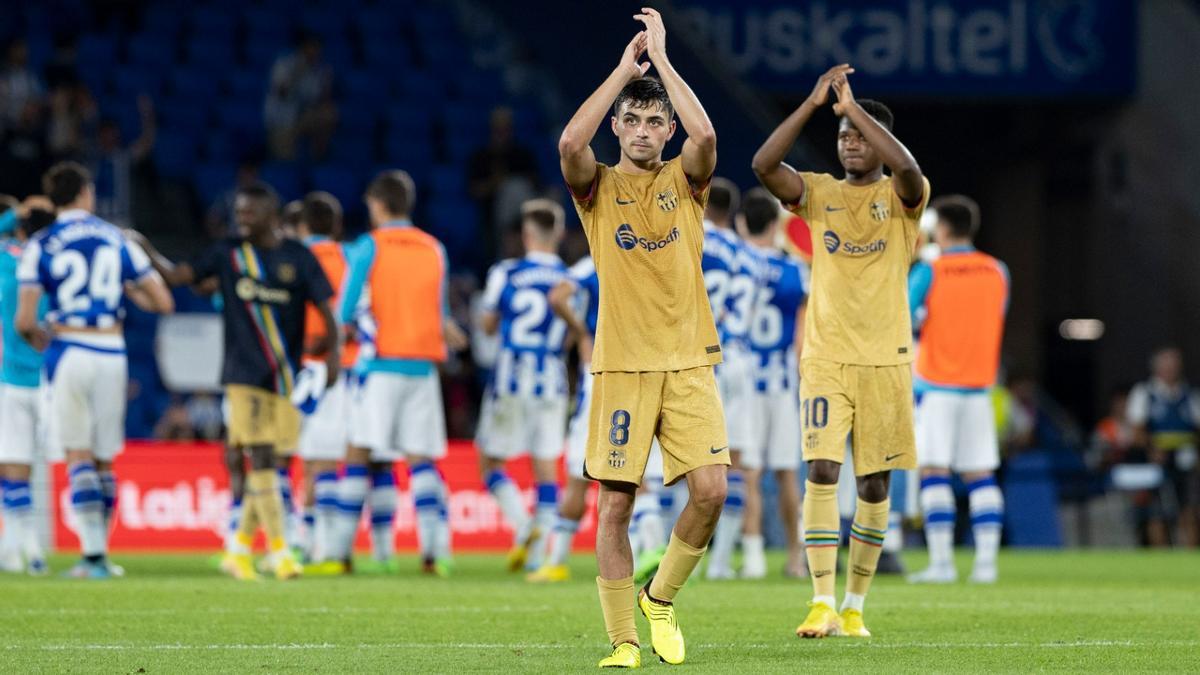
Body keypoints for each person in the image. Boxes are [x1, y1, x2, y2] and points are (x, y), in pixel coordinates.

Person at [558, 9, 727, 667]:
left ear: (667, 130)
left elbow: (707, 132)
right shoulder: (597, 187)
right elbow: (572, 144)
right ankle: (623, 640)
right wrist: (622, 73)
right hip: (623, 366)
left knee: (711, 491)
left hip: (688, 361)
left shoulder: (687, 181)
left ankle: (661, 597)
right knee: (615, 506)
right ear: (619, 127)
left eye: (658, 121)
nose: (647, 130)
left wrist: (663, 54)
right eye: (635, 120)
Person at [752, 63, 930, 638]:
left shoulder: (904, 197)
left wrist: (853, 108)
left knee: (874, 485)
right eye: (843, 136)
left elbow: (906, 166)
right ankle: (821, 600)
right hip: (825, 356)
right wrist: (811, 105)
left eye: (858, 135)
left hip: (887, 359)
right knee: (822, 469)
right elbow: (763, 166)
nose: (849, 143)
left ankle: (855, 605)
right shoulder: (819, 193)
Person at [138, 181, 339, 581]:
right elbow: (178, 276)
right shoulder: (228, 253)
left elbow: (327, 311)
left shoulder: (297, 258)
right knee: (261, 458)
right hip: (241, 376)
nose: (242, 219)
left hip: (284, 376)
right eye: (239, 212)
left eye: (250, 212)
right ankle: (281, 552)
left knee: (277, 464)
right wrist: (143, 247)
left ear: (272, 215)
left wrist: (331, 359)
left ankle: (239, 549)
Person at [15, 162, 174, 578]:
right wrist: (123, 290)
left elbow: (24, 321)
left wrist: (46, 342)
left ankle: (91, 557)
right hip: (112, 350)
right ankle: (103, 554)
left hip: (69, 348)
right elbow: (162, 302)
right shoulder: (115, 237)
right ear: (86, 194)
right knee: (105, 458)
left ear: (54, 199)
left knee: (77, 453)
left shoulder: (42, 244)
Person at [325, 169, 468, 577]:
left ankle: (338, 553)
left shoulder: (370, 246)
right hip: (423, 368)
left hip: (380, 366)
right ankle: (435, 553)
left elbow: (345, 309)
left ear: (378, 204)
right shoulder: (434, 249)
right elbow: (442, 317)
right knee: (422, 459)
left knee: (358, 452)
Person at [905, 195, 1010, 584]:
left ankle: (943, 564)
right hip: (980, 388)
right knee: (980, 474)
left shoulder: (931, 270)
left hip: (936, 386)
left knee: (935, 471)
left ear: (942, 228)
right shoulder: (998, 271)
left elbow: (904, 316)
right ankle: (985, 565)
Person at [476, 198, 569, 573]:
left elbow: (486, 324)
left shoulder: (505, 272)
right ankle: (539, 554)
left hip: (510, 377)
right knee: (546, 465)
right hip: (552, 378)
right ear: (559, 234)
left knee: (490, 461)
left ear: (527, 234)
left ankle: (523, 526)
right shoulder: (572, 276)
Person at [738, 188, 808, 579]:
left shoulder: (737, 263)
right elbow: (802, 336)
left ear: (743, 221)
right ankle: (796, 558)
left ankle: (753, 558)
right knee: (786, 474)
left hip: (744, 378)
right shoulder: (796, 270)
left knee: (747, 471)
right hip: (781, 382)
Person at [702, 177, 766, 581]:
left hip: (700, 359)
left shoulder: (692, 238)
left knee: (681, 460)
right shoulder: (752, 256)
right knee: (735, 462)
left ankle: (668, 551)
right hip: (740, 359)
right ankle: (722, 560)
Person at [294, 191, 360, 565]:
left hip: (309, 365)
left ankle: (318, 547)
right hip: (348, 366)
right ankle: (324, 545)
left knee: (312, 461)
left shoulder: (296, 257)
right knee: (327, 459)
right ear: (335, 226)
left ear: (302, 225)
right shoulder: (351, 257)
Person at [528, 250, 599, 583]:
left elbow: (558, 296)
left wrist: (582, 331)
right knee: (639, 473)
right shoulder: (647, 252)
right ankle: (650, 553)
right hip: (642, 370)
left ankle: (556, 560)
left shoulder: (594, 260)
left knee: (578, 473)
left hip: (600, 370)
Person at [0, 194, 54, 575]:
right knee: (30, 465)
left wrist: (14, 212)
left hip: (12, 377)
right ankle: (21, 547)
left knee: (14, 464)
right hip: (52, 375)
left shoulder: (4, 262)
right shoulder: (52, 260)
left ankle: (23, 546)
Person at [1127, 347, 1200, 547]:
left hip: (1185, 459)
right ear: (1157, 369)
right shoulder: (1145, 393)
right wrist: (1152, 449)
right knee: (1157, 512)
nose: (1172, 370)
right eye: (1167, 366)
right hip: (1156, 460)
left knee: (1190, 510)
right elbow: (1137, 430)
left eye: (1175, 366)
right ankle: (1161, 557)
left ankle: (1192, 558)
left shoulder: (1189, 395)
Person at [467, 106, 541, 268]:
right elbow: (474, 190)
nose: (502, 133)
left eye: (505, 128)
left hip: (523, 214)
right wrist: (495, 184)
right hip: (492, 215)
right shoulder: (481, 157)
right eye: (498, 129)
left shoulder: (522, 155)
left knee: (517, 188)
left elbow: (534, 184)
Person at [264, 34, 336, 161]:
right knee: (284, 160)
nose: (314, 53)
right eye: (311, 48)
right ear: (302, 48)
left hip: (303, 116)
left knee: (328, 114)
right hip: (281, 118)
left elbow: (319, 99)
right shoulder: (284, 64)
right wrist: (298, 72)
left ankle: (319, 159)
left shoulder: (321, 70)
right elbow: (282, 93)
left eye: (317, 49)